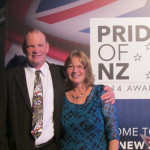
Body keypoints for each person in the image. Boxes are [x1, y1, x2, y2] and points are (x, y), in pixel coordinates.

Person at [0, 29, 116, 150]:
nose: (36, 50)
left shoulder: (61, 73)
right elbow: (1, 121)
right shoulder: (8, 78)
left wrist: (108, 91)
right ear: (24, 48)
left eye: (40, 45)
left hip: (52, 146)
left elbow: (83, 82)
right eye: (31, 46)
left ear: (47, 47)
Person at [60, 50, 119, 150]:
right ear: (66, 71)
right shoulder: (60, 97)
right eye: (70, 66)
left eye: (80, 66)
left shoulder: (101, 93)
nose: (75, 70)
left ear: (87, 70)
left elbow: (113, 135)